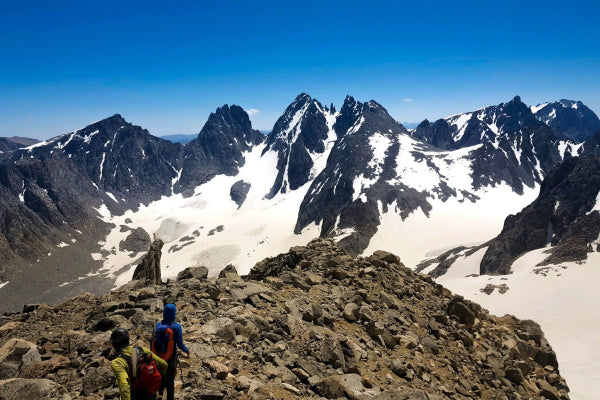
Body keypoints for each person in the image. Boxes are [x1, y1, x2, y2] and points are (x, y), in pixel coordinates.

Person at [110, 327, 168, 400]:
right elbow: (164, 364)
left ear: (115, 344)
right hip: (150, 392)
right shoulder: (142, 350)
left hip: (136, 394)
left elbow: (124, 385)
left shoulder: (117, 362)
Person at [155, 303, 190, 400]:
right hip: (171, 357)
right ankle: (170, 397)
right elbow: (179, 344)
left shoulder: (158, 326)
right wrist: (186, 350)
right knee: (170, 381)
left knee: (160, 377)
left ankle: (160, 394)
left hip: (158, 357)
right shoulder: (176, 327)